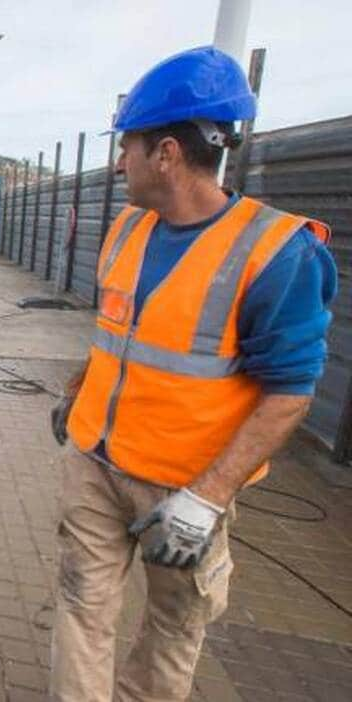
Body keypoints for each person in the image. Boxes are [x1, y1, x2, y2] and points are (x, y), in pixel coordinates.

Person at [49, 46, 336, 700]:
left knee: (173, 629)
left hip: (183, 490)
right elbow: (118, 338)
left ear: (167, 153)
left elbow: (290, 393)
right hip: (95, 463)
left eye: (128, 146)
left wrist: (206, 499)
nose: (118, 161)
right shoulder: (126, 229)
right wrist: (77, 397)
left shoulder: (275, 252)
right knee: (81, 609)